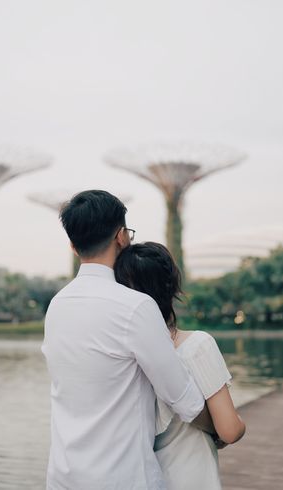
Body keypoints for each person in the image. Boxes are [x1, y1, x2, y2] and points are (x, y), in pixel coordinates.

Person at [42, 190, 206, 490]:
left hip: (63, 477)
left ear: (73, 246)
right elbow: (184, 399)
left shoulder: (57, 305)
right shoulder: (136, 307)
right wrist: (222, 431)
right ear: (121, 237)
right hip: (122, 479)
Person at [114, 242, 247, 490]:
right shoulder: (198, 346)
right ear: (173, 287)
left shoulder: (121, 357)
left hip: (137, 478)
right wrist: (238, 425)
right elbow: (229, 430)